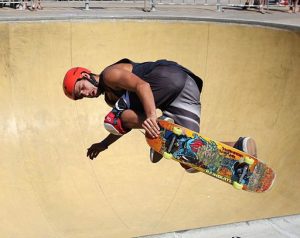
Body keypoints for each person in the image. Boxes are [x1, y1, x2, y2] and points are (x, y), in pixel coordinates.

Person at [63, 58, 257, 173]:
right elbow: (127, 123)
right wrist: (104, 144)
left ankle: (161, 130)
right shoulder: (111, 100)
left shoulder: (109, 75)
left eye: (82, 88)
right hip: (187, 90)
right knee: (189, 156)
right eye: (81, 96)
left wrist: (150, 117)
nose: (86, 94)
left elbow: (142, 86)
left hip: (167, 77)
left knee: (115, 117)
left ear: (85, 75)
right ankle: (240, 149)